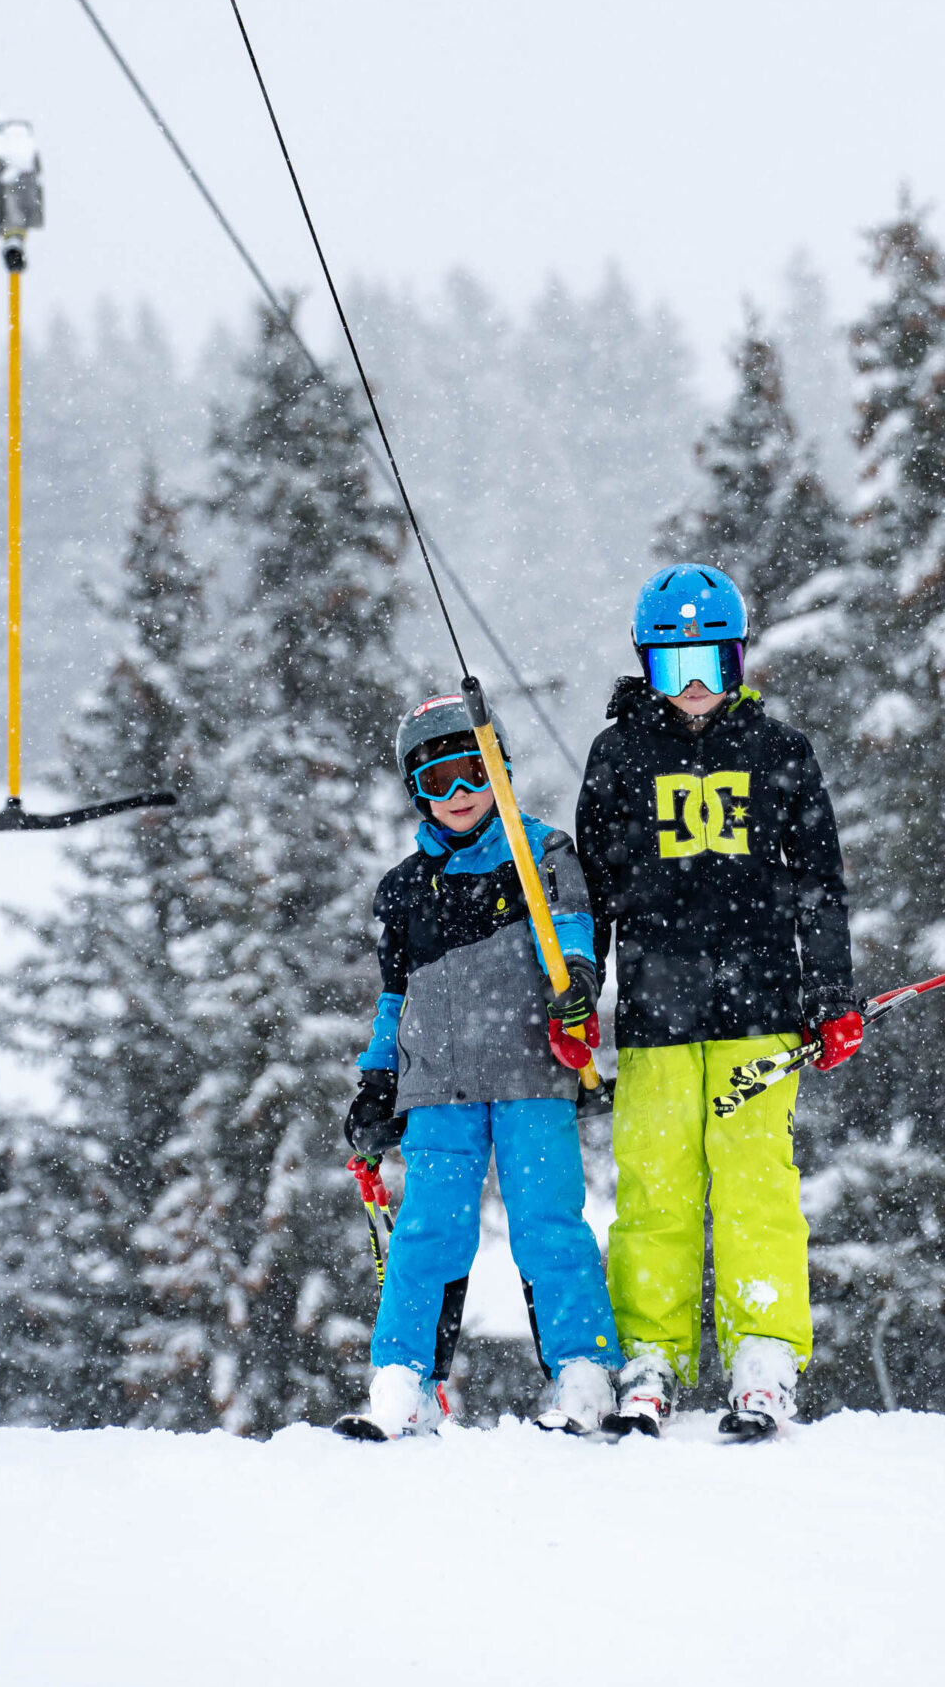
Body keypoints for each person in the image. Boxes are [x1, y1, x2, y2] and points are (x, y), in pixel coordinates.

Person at [577, 564, 863, 1439]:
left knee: (754, 1184)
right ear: (645, 669)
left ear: (739, 663)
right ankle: (650, 1351)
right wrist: (581, 993)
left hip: (761, 1009)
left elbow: (818, 883)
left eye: (710, 666)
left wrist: (829, 990)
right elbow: (594, 893)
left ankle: (763, 1351)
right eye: (673, 671)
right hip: (659, 1012)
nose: (694, 689)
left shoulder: (778, 751)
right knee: (656, 1186)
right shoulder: (621, 755)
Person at [336, 693, 619, 1440]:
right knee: (428, 1234)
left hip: (532, 1077)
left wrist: (578, 985)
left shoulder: (542, 853)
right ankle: (404, 1381)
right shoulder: (403, 889)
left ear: (499, 771)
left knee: (548, 1225)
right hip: (439, 1088)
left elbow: (575, 932)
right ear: (415, 793)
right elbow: (393, 1000)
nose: (459, 796)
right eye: (437, 782)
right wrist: (377, 1081)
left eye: (471, 774)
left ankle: (582, 1372)